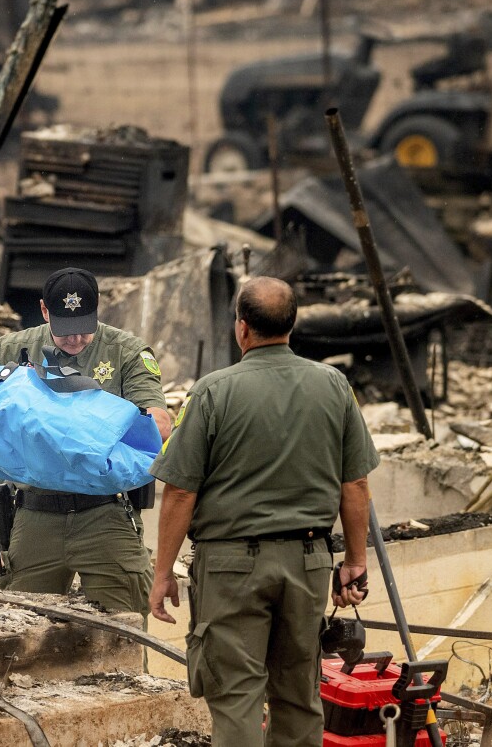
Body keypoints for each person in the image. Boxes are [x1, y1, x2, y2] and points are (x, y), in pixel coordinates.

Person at [148, 276, 377, 747]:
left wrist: (163, 571)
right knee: (299, 695)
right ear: (292, 325)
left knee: (236, 696)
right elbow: (355, 483)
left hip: (231, 568)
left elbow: (180, 491)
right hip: (308, 563)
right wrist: (355, 560)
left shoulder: (212, 392)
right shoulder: (334, 385)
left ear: (242, 327)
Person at [0, 267, 171, 615]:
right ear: (45, 311)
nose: (75, 339)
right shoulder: (15, 347)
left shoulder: (126, 351)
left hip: (105, 513)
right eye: (65, 330)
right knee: (20, 621)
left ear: (98, 306)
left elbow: (160, 425)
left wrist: (84, 426)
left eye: (84, 328)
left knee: (125, 624)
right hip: (35, 512)